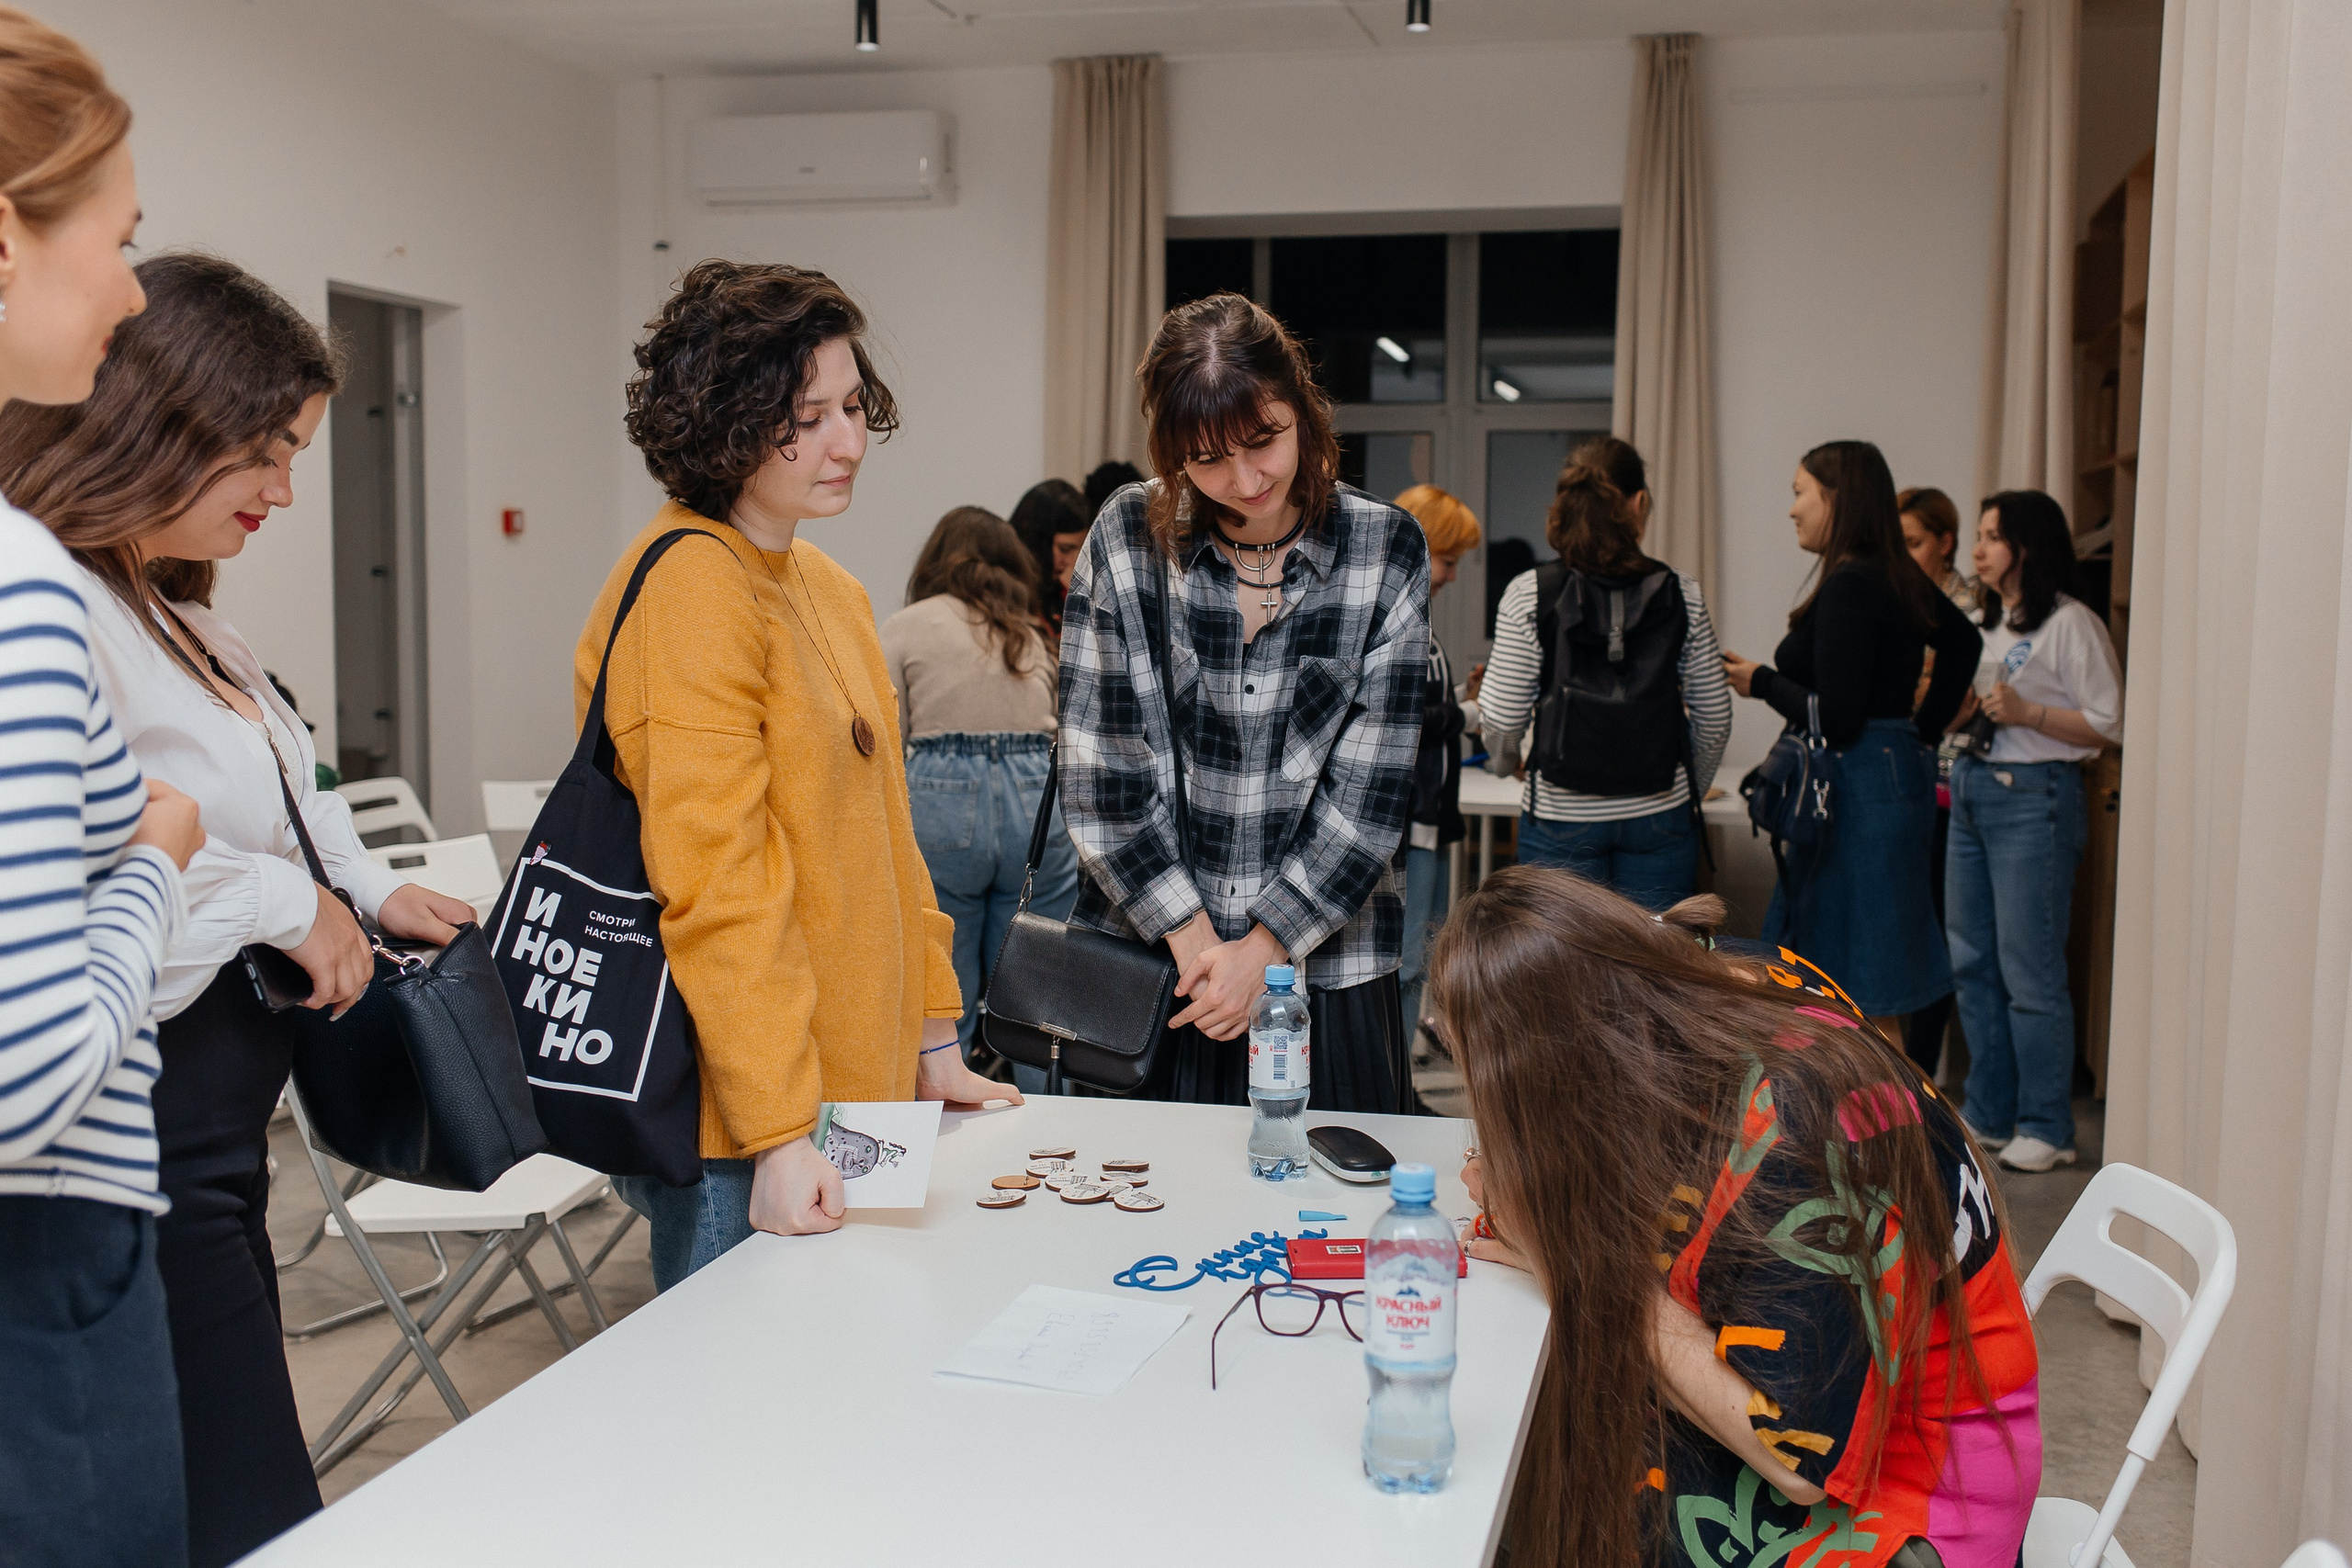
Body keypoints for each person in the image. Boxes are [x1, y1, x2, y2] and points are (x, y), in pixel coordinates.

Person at [1, 253, 482, 1567]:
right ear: (160, 421)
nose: (282, 492)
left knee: (229, 1480)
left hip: (217, 1129)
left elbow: (289, 783)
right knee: (237, 1499)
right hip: (127, 1120)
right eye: (263, 455)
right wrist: (284, 898)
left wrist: (371, 887)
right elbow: (95, 860)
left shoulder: (177, 615)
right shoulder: (57, 610)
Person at [1432, 867, 2041, 1568]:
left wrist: (1569, 1257)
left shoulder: (1796, 1132)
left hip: (1914, 1509)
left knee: (1533, 1458)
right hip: (1851, 1416)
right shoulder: (1714, 978)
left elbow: (1796, 1460)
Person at [597, 260, 1012, 1291]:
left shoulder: (826, 586)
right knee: (754, 1429)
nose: (845, 441)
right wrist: (780, 1129)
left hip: (855, 1089)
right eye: (806, 417)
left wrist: (931, 1032)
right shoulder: (693, 586)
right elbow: (714, 882)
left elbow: (885, 832)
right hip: (748, 1123)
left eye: (852, 406)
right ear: (724, 422)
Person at [0, 19, 202, 1564]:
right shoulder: (23, 588)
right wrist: (152, 861)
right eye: (121, 241)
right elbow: (23, 1072)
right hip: (43, 1255)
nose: (136, 292)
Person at [1059, 292, 1428, 1110]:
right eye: (1209, 459)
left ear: (1300, 406)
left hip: (1328, 974)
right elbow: (1100, 774)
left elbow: (1370, 796)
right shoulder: (1126, 538)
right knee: (1129, 1220)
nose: (1247, 479)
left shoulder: (1383, 545)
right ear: (1171, 451)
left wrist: (1265, 949)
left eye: (1265, 441)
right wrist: (1202, 948)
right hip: (1156, 969)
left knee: (1327, 1226)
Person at [1723, 441, 1982, 1041]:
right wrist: (1920, 732)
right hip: (1885, 783)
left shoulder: (1851, 582)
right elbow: (1963, 643)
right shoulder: (1888, 572)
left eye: (1799, 492)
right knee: (1858, 980)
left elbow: (1837, 719)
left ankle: (1879, 1132)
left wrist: (1762, 681)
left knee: (1861, 988)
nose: (1792, 509)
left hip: (1860, 793)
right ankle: (1860, 1129)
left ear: (1836, 498)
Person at [1478, 436, 1732, 910]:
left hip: (1559, 814)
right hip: (1660, 815)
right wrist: (1683, 788)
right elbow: (1715, 718)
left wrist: (1506, 763)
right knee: (1653, 971)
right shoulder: (1682, 594)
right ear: (1638, 503)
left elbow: (1500, 717)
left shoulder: (1529, 592)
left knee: (1561, 972)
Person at [1949, 491, 2122, 1173]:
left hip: (2035, 800)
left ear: (2027, 545)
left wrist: (2028, 713)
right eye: (1979, 535)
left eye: (1992, 536)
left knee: (2031, 969)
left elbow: (2109, 723)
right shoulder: (1983, 622)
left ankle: (2047, 1124)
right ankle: (1988, 1112)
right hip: (1972, 787)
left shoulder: (2071, 624)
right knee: (1972, 960)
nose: (1979, 549)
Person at [882, 505, 1077, 1090]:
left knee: (942, 993)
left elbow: (886, 741)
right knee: (1039, 993)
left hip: (943, 799)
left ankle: (950, 1137)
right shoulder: (1029, 634)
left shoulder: (905, 625)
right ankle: (1049, 1143)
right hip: (1033, 794)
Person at [1389, 483, 1481, 1050]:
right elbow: (1405, 718)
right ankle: (1393, 1090)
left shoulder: (1415, 618)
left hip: (1424, 820)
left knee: (1415, 962)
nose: (1451, 575)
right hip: (1409, 822)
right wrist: (1468, 713)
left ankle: (1399, 1084)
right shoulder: (1400, 618)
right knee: (1403, 966)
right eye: (1448, 561)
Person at [1895, 485, 1977, 1080]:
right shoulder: (1901, 604)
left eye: (1915, 542)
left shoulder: (1971, 611)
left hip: (1959, 790)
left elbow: (1955, 699)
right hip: (1917, 788)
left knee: (1946, 939)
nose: (1904, 554)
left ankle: (1924, 1073)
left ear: (1946, 543)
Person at [1007, 477, 1086, 639]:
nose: (1072, 562)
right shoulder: (1002, 596)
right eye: (1064, 550)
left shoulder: (1063, 593)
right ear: (1036, 542)